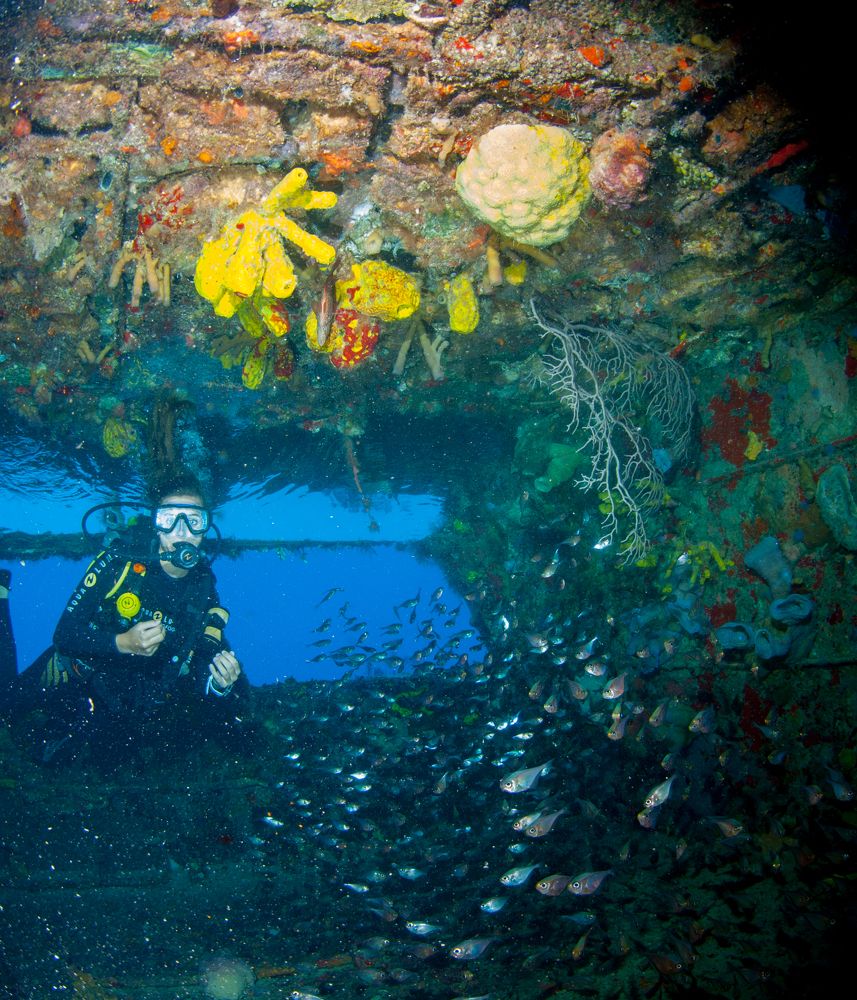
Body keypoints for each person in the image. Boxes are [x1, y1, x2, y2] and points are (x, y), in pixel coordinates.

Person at [0, 470, 246, 761]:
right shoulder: (120, 562)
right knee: (6, 709)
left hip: (130, 700)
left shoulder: (203, 591)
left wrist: (220, 684)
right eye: (169, 520)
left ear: (205, 529)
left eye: (193, 521)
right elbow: (64, 635)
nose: (181, 532)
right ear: (156, 525)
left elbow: (199, 668)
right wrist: (123, 642)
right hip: (76, 670)